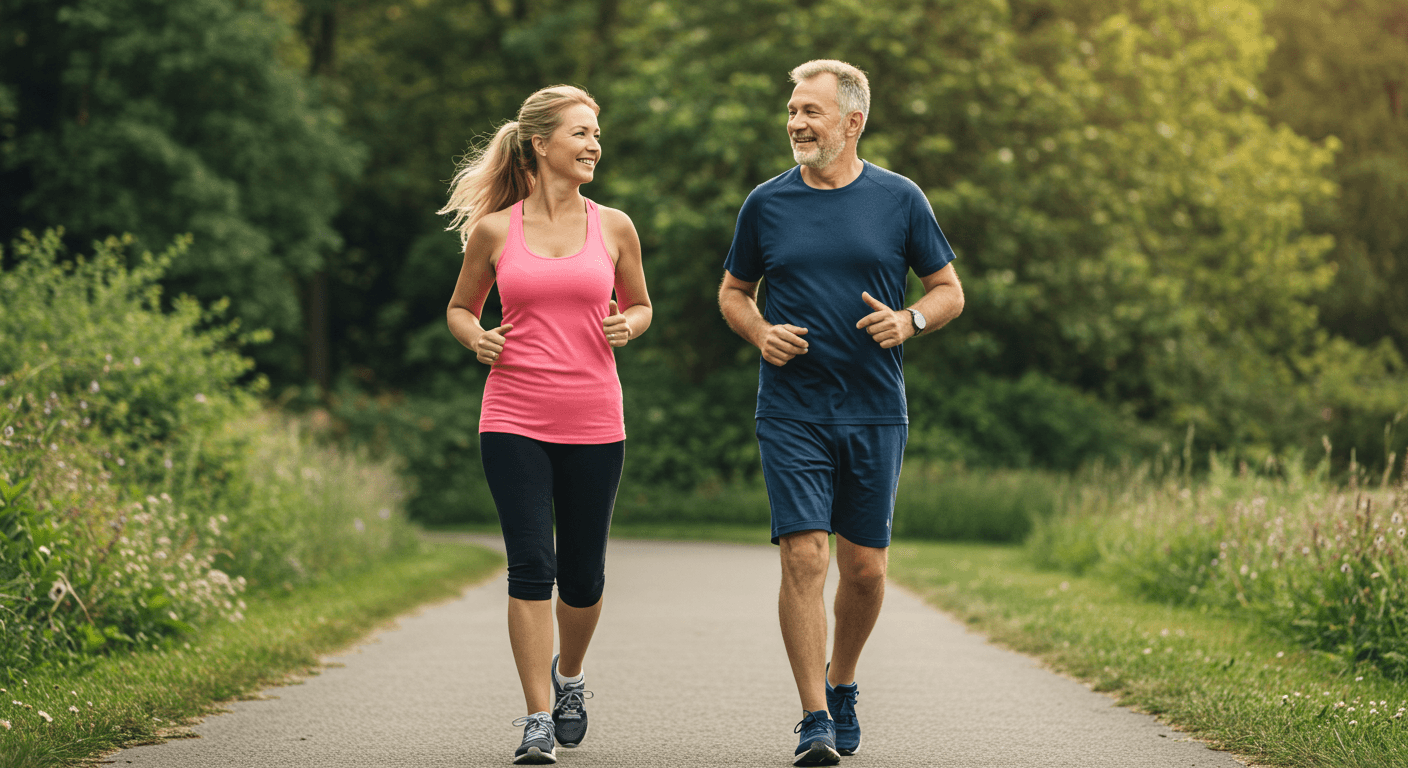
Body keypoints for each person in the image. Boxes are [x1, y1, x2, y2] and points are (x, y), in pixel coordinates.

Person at [717, 60, 964, 766]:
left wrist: (911, 320)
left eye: (810, 112)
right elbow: (733, 292)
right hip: (791, 408)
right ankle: (814, 718)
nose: (796, 123)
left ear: (852, 122)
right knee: (804, 556)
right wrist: (761, 331)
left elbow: (949, 289)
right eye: (792, 110)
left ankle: (843, 678)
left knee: (865, 571)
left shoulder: (900, 199)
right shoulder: (766, 204)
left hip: (875, 408)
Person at [440, 84, 652, 765]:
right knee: (531, 564)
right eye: (582, 133)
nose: (595, 144)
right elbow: (460, 308)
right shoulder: (497, 230)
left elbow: (642, 305)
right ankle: (535, 716)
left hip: (595, 419)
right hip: (513, 417)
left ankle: (569, 680)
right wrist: (475, 338)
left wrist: (630, 323)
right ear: (541, 144)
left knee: (583, 575)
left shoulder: (614, 226)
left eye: (597, 133)